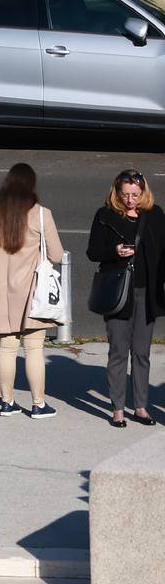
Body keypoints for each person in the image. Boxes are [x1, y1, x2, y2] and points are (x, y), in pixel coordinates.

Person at [0, 162, 64, 420]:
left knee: (6, 347)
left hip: (3, 292)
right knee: (34, 349)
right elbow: (57, 254)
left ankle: (7, 403)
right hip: (33, 292)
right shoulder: (41, 214)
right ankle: (38, 404)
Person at [88, 169, 165, 428]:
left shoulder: (155, 215)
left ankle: (141, 406)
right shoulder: (105, 215)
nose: (130, 200)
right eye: (125, 195)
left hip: (148, 294)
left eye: (135, 194)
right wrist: (115, 251)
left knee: (142, 353)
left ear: (143, 192)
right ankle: (118, 408)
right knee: (119, 351)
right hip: (119, 294)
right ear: (116, 192)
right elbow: (92, 251)